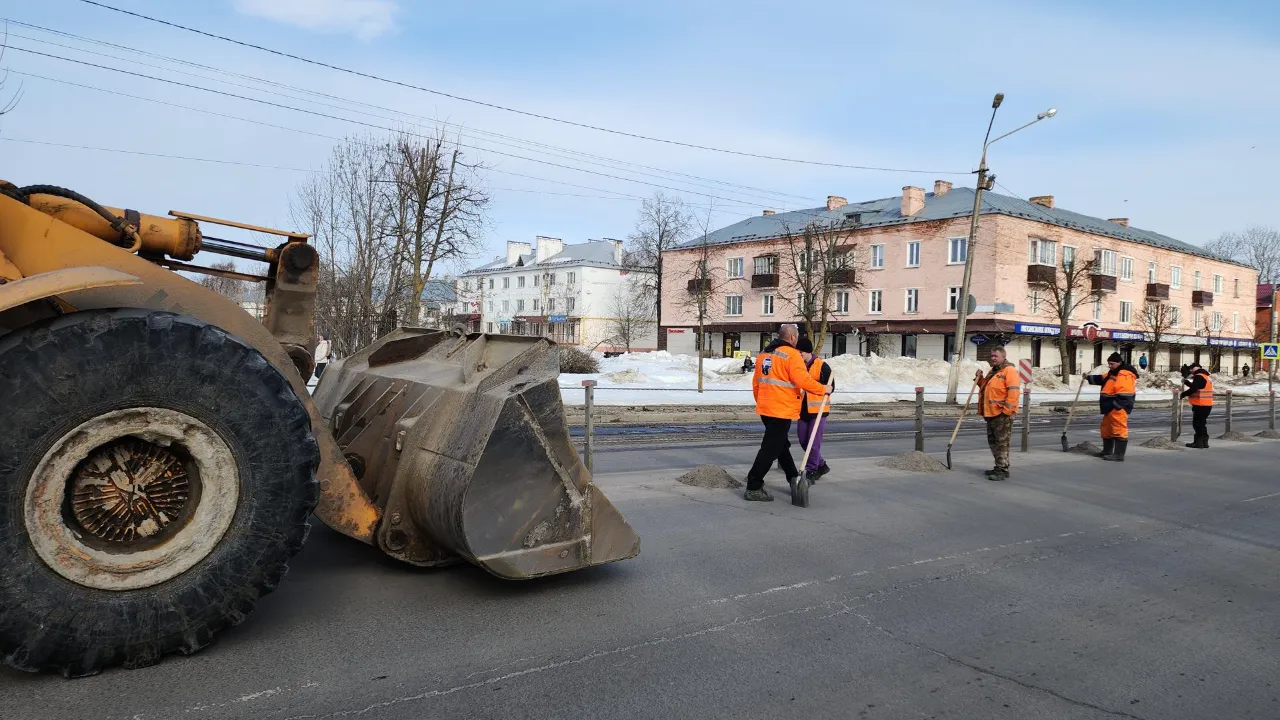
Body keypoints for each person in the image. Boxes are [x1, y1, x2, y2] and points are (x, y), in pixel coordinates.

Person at [745, 324, 831, 502]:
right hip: (781, 409)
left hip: (766, 408)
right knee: (770, 449)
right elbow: (803, 380)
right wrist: (824, 389)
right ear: (792, 337)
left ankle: (793, 478)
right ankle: (754, 485)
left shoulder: (763, 354)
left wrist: (762, 402)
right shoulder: (791, 355)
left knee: (781, 446)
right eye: (797, 336)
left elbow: (756, 384)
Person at [974, 345, 1020, 481]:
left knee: (1001, 443)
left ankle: (1001, 469)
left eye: (996, 356)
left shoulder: (1009, 371)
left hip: (1001, 414)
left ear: (1003, 357)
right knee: (993, 442)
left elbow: (1013, 392)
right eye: (992, 355)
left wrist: (1006, 411)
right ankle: (1001, 465)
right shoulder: (993, 371)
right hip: (991, 413)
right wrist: (980, 379)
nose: (992, 358)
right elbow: (987, 388)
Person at [1085, 352, 1138, 462]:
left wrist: (1117, 405)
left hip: (1117, 406)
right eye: (1109, 364)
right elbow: (1104, 378)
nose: (1110, 366)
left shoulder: (1124, 374)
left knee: (1119, 428)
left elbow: (1126, 392)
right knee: (1106, 429)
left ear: (1119, 363)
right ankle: (1107, 451)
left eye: (1112, 364)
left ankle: (1119, 454)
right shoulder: (1114, 372)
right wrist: (1088, 378)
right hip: (1110, 406)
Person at [795, 337, 834, 484]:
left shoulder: (821, 366)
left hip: (818, 411)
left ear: (808, 352)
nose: (799, 355)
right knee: (803, 440)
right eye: (797, 352)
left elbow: (830, 387)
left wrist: (813, 385)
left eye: (801, 352)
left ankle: (812, 469)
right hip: (802, 410)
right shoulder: (798, 366)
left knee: (813, 442)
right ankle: (821, 464)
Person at [1180, 362, 1213, 448]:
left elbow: (1194, 389)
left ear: (1195, 368)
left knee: (1197, 424)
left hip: (1201, 404)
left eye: (1191, 369)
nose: (1190, 371)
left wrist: (1183, 394)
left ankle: (1198, 443)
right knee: (1202, 423)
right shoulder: (1205, 376)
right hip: (1206, 404)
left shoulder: (1199, 376)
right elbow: (1198, 387)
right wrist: (1187, 383)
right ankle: (1204, 442)